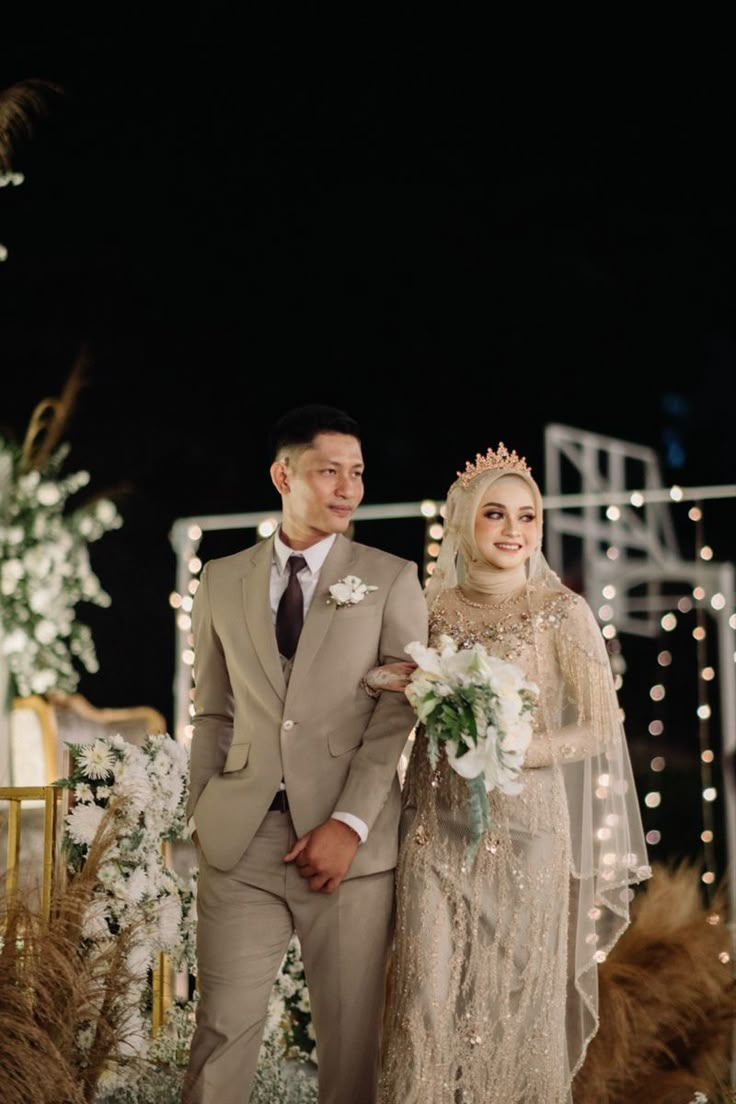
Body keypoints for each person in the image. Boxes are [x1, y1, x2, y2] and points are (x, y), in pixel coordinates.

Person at [367, 444, 650, 1104]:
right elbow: (395, 683)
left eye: (528, 516)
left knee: (516, 1001)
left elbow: (602, 724)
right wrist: (397, 682)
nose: (513, 530)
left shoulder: (561, 613)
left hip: (528, 833)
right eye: (496, 514)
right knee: (423, 997)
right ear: (465, 521)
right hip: (434, 829)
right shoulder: (428, 608)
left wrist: (524, 746)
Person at [183, 404, 428, 1104]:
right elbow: (213, 711)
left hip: (351, 852)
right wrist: (206, 811)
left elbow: (398, 708)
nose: (347, 488)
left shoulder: (390, 576)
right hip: (242, 845)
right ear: (282, 474)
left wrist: (349, 824)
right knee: (221, 1033)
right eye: (329, 472)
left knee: (351, 1050)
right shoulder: (221, 580)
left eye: (356, 473)